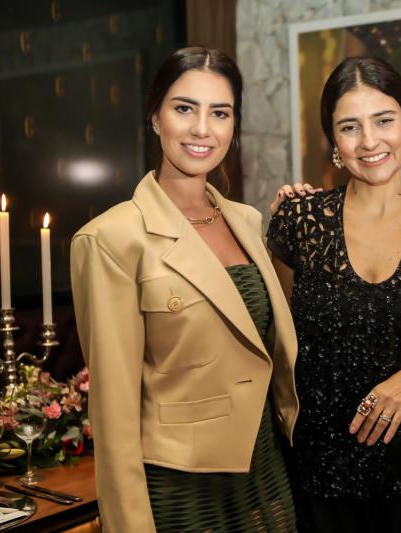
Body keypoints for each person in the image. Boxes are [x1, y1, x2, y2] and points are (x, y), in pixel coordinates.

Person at [70, 47, 299, 532]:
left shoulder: (247, 221)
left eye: (220, 113)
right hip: (180, 491)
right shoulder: (111, 238)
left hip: (266, 475)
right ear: (156, 116)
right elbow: (113, 414)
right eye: (184, 108)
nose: (202, 129)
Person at [267, 57, 401, 533]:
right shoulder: (299, 223)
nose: (369, 141)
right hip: (320, 475)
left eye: (383, 120)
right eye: (349, 127)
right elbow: (275, 345)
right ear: (334, 142)